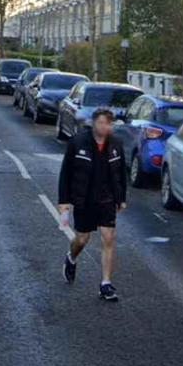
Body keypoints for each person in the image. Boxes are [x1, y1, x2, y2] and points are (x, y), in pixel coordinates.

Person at [57, 108, 128, 301]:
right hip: (83, 199)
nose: (105, 127)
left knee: (108, 238)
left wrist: (121, 198)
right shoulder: (78, 142)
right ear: (94, 123)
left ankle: (105, 284)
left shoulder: (116, 145)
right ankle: (71, 258)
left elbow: (121, 173)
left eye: (108, 124)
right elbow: (66, 173)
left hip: (106, 200)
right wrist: (63, 201)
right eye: (101, 123)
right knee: (82, 239)